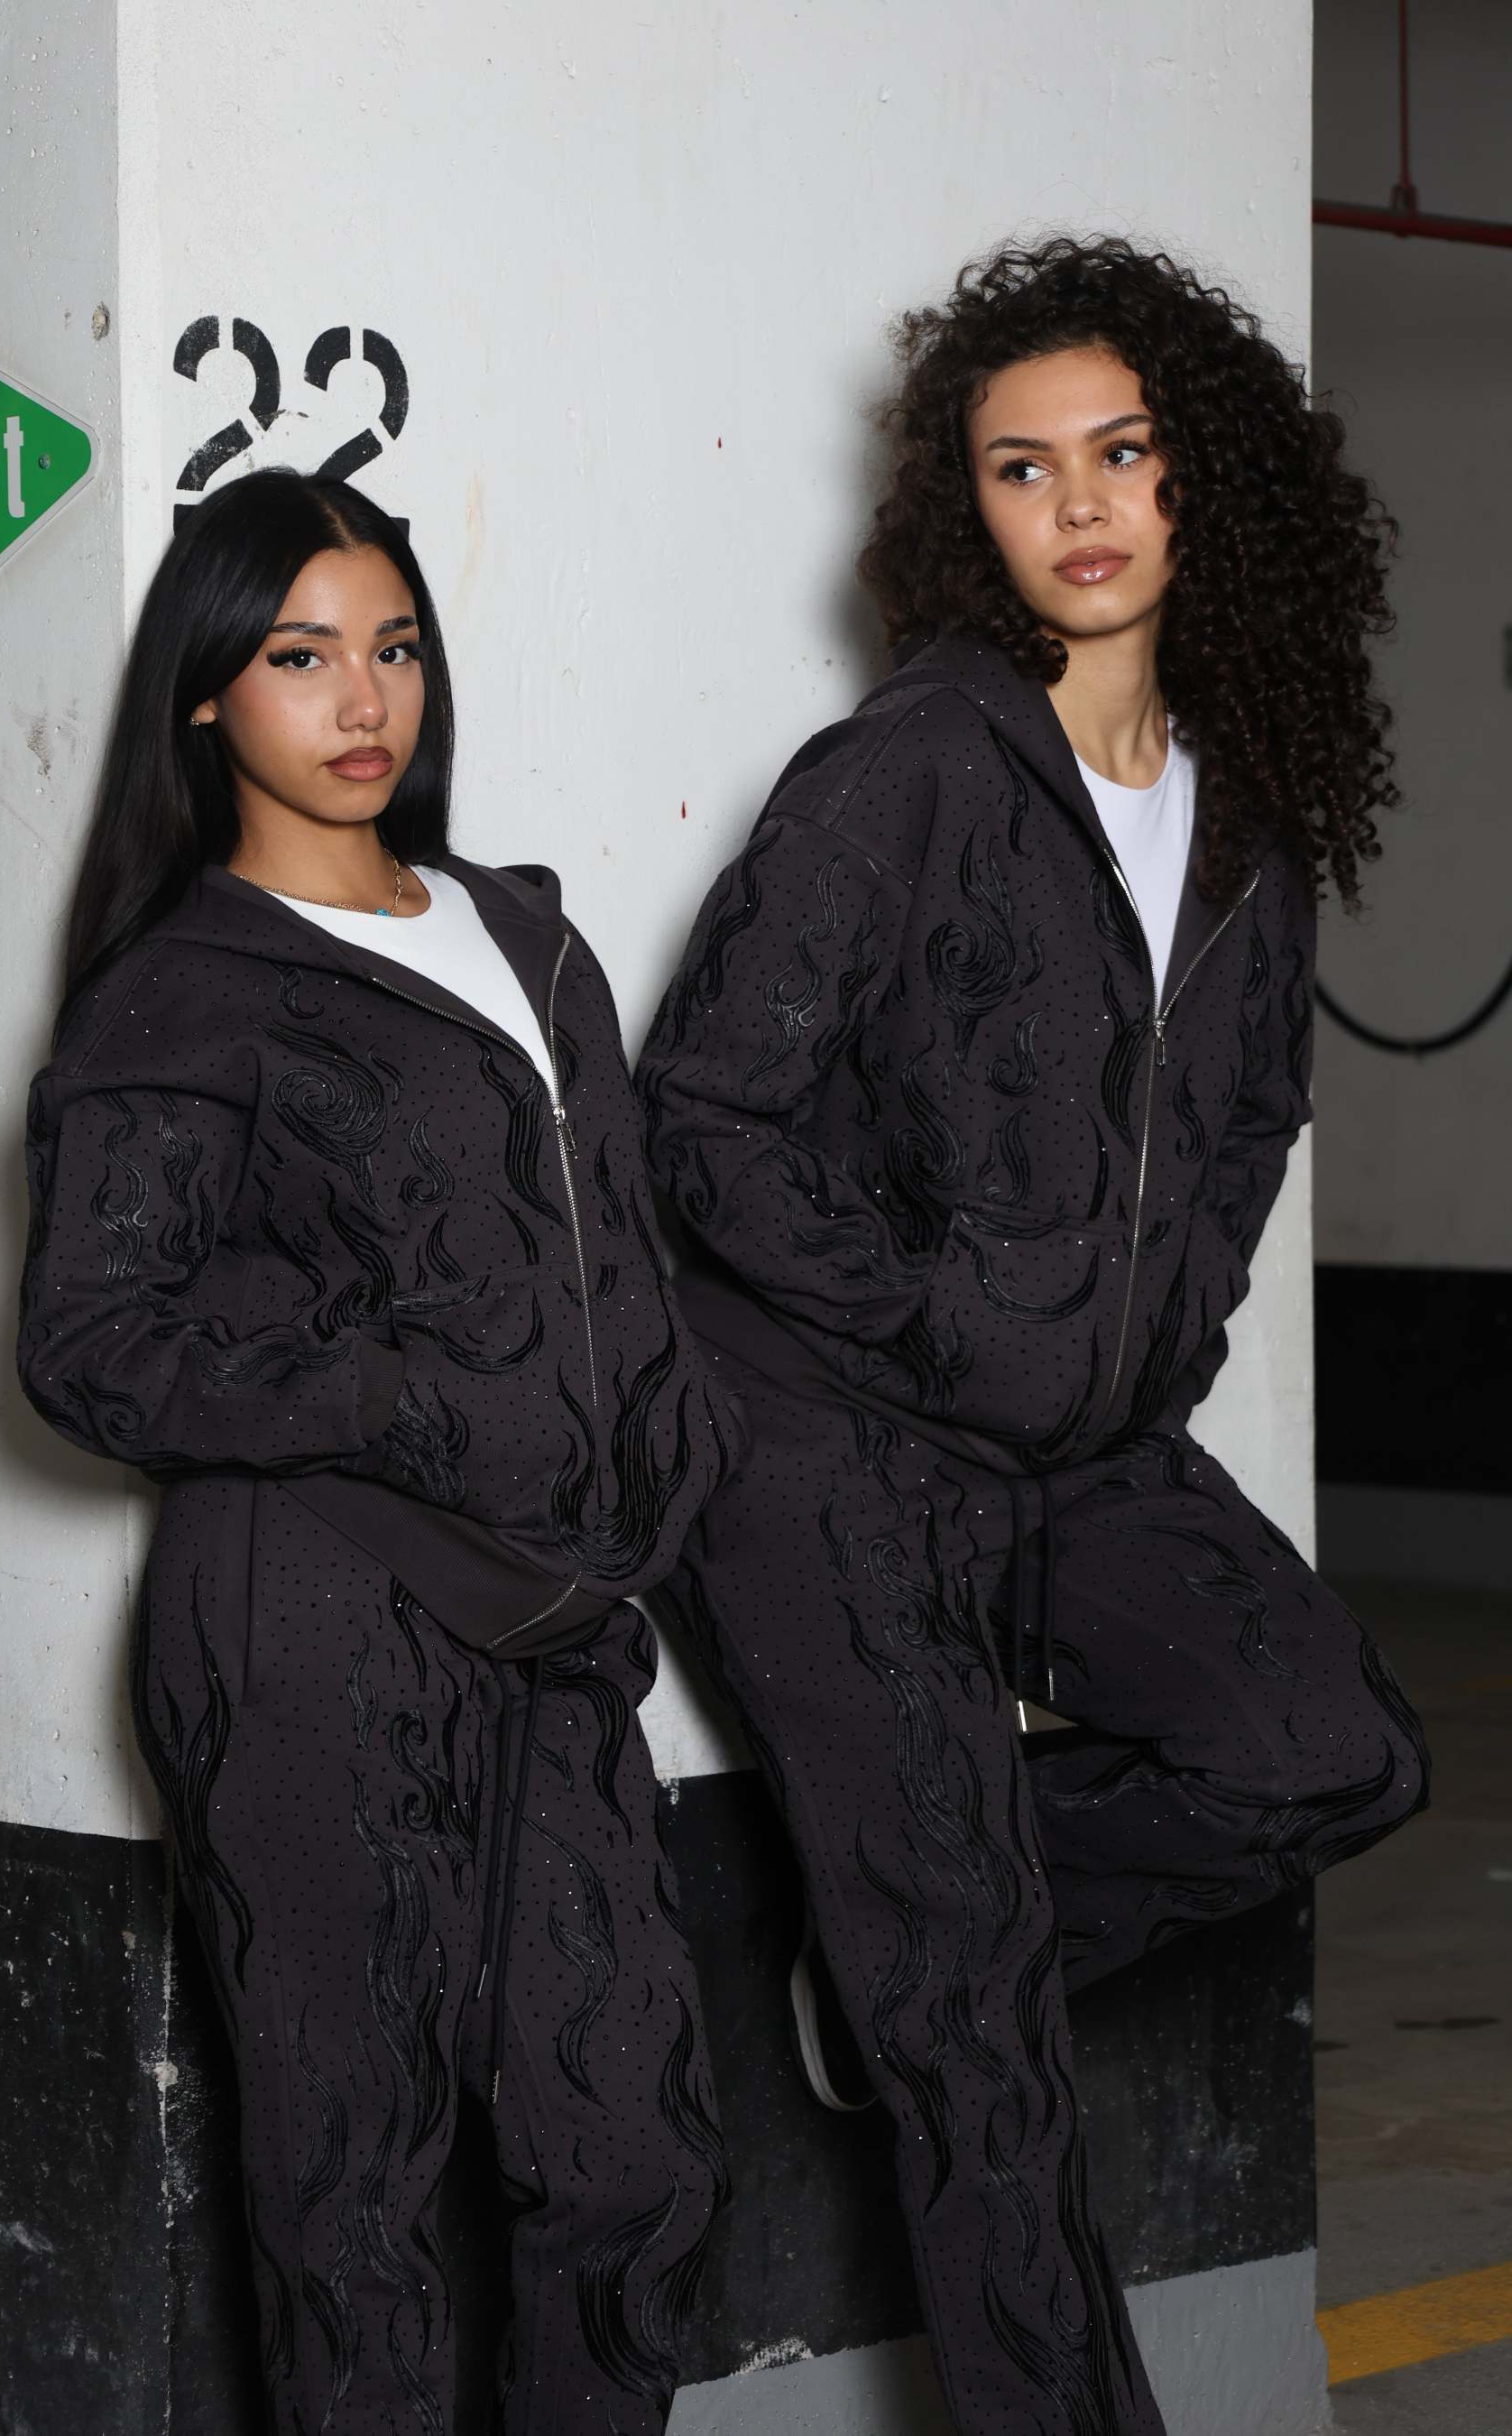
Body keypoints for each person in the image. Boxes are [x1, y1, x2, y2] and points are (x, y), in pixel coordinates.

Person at [635, 235, 1430, 2435]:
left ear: (1202, 483)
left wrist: (1154, 1346)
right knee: (980, 2053)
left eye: (1122, 451)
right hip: (819, 1439)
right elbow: (700, 1117)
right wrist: (937, 1319)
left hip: (1071, 1431)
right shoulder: (909, 770)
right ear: (962, 509)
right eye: (1020, 466)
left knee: (1332, 1748)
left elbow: (1246, 1121)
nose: (1078, 503)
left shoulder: (1245, 817)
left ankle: (903, 1940)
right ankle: (935, 1968)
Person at [17, 469, 736, 2435]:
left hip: (554, 1627)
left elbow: (618, 1249)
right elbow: (91, 1347)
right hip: (312, 1625)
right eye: (300, 655)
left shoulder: (528, 936)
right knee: (360, 2209)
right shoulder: (184, 989)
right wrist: (392, 1389)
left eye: (395, 648)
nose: (363, 700)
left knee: (637, 2166)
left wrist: (663, 1458)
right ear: (205, 693)